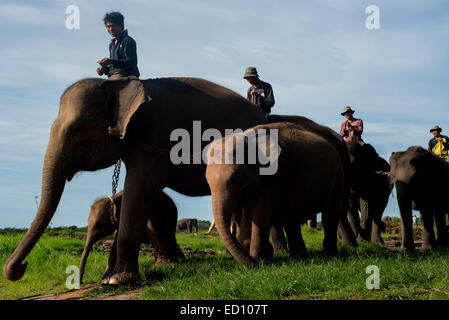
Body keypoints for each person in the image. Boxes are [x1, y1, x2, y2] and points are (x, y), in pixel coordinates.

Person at [96, 11, 140, 80]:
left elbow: (132, 62)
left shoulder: (128, 41)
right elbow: (113, 67)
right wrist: (104, 69)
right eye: (108, 26)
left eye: (113, 26)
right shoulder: (111, 44)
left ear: (121, 26)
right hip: (114, 74)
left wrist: (111, 61)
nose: (110, 29)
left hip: (126, 75)